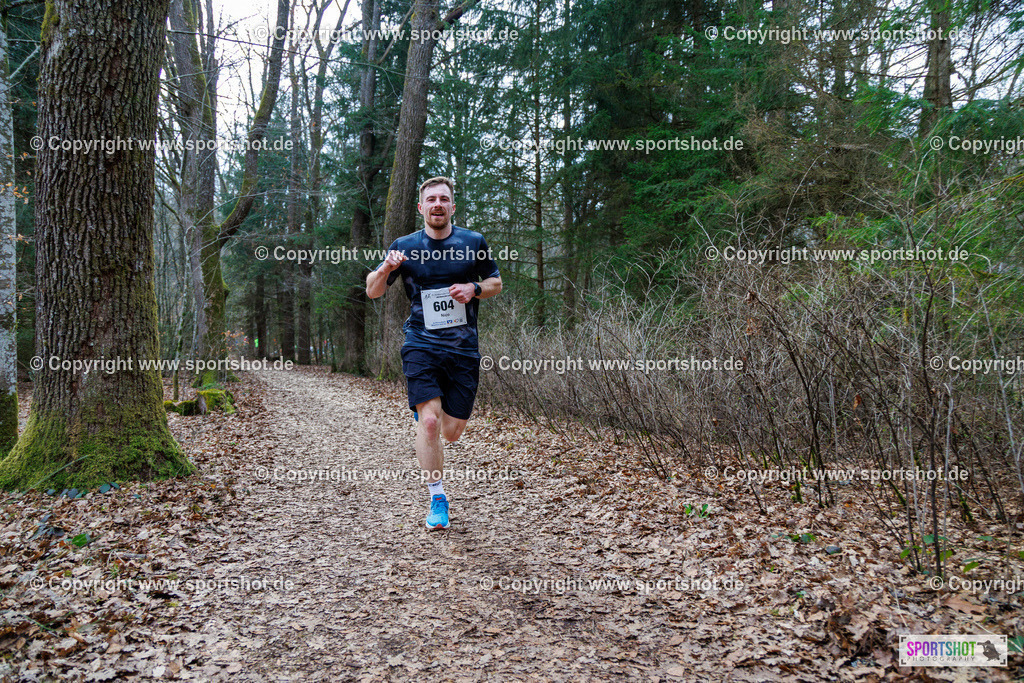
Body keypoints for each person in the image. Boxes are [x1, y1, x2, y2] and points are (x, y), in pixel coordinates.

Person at [366, 176, 502, 530]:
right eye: (432, 200)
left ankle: (430, 414)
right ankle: (437, 497)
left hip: (463, 350)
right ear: (421, 207)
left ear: (453, 206)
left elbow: (495, 283)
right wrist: (386, 268)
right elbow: (372, 291)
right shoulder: (404, 246)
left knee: (451, 432)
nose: (438, 204)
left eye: (444, 199)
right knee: (429, 422)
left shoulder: (473, 242)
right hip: (420, 343)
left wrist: (474, 288)